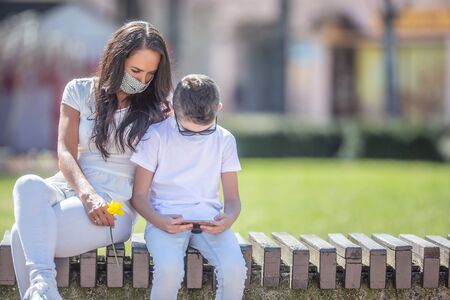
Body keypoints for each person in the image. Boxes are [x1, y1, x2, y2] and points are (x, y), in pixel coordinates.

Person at [11, 21, 172, 300]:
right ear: (115, 59)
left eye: (150, 74)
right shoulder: (79, 91)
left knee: (20, 234)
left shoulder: (157, 108)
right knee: (27, 184)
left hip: (115, 204)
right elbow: (65, 152)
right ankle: (44, 289)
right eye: (135, 71)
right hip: (73, 185)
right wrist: (87, 194)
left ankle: (42, 288)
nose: (142, 80)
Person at [131, 74, 247, 300]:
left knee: (235, 269)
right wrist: (159, 221)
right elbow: (139, 196)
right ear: (173, 109)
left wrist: (229, 218)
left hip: (209, 222)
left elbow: (233, 199)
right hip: (163, 221)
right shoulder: (155, 136)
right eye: (187, 130)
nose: (196, 136)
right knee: (169, 271)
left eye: (205, 130)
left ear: (218, 109)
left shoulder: (225, 140)